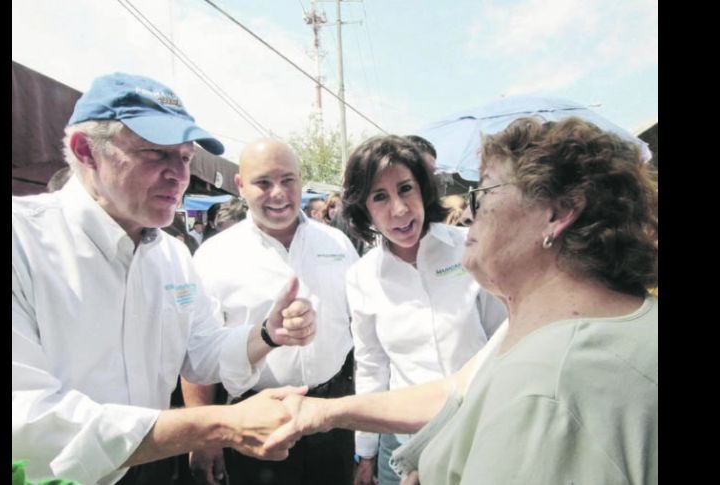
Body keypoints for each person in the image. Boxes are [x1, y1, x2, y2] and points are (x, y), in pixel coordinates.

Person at [267, 116, 658, 485]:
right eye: (379, 197)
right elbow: (461, 386)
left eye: (483, 193)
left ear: (556, 214)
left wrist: (441, 465)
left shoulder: (546, 387)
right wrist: (328, 416)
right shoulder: (554, 333)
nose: (469, 213)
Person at [12, 73, 318, 485]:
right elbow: (28, 419)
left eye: (186, 157)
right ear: (86, 151)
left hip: (154, 465)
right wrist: (219, 426)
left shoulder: (171, 255)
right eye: (156, 155)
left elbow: (201, 350)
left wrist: (265, 334)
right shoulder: (22, 241)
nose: (179, 175)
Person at [186, 138, 359, 485]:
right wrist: (204, 436)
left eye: (287, 180)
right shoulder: (214, 256)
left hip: (333, 417)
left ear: (300, 179)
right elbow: (196, 352)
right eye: (263, 182)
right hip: (257, 422)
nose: (278, 193)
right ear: (240, 186)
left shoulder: (337, 244)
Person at [338, 135, 506, 485]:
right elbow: (371, 366)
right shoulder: (361, 276)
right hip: (404, 440)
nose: (399, 209)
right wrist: (365, 452)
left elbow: (501, 336)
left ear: (423, 190)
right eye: (379, 196)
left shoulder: (468, 247)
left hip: (480, 427)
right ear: (363, 208)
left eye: (405, 189)